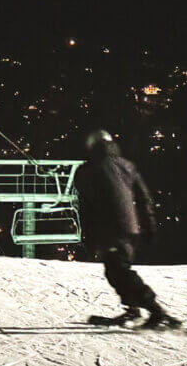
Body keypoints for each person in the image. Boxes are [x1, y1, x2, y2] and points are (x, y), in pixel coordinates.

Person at [75, 129, 180, 329]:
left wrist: (87, 235)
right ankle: (133, 310)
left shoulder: (86, 171)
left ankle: (157, 311)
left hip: (108, 229)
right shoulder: (127, 166)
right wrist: (148, 225)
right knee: (114, 271)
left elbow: (85, 208)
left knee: (120, 271)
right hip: (130, 228)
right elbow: (143, 198)